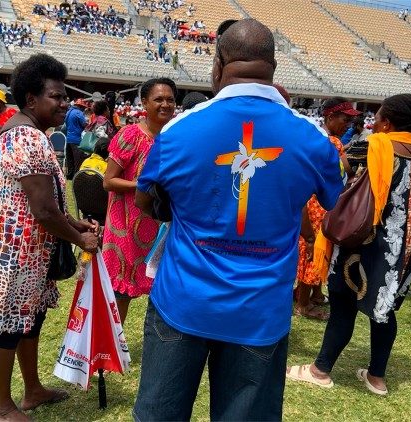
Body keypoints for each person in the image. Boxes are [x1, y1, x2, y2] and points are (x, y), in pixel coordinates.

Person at [132, 19, 343, 420]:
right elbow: (332, 201)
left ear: (217, 64)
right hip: (260, 309)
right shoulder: (312, 138)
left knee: (159, 415)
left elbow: (146, 200)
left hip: (183, 300)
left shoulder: (179, 129)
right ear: (273, 67)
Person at [0, 54, 99, 422]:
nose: (64, 103)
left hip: (28, 248)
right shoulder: (27, 138)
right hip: (14, 251)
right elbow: (41, 210)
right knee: (10, 326)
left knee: (31, 318)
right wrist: (80, 238)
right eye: (56, 97)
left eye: (64, 96)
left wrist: (73, 222)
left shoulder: (26, 133)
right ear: (30, 100)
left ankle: (32, 390)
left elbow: (45, 201)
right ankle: (2, 407)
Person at [288, 93, 411, 396]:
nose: (372, 122)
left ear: (386, 122)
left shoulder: (372, 146)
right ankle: (377, 378)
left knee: (343, 308)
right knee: (384, 311)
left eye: (376, 116)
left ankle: (320, 370)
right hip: (401, 250)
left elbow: (333, 171)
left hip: (362, 244)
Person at [103, 78, 176, 324]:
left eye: (170, 99)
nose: (165, 104)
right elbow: (108, 181)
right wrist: (145, 186)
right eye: (158, 99)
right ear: (144, 103)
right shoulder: (131, 135)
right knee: (121, 294)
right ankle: (109, 350)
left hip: (159, 227)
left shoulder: (175, 138)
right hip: (125, 228)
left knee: (161, 289)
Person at [294, 97, 358, 321]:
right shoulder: (332, 143)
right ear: (330, 117)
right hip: (318, 206)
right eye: (345, 119)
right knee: (314, 252)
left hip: (309, 202)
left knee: (308, 252)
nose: (348, 124)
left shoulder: (315, 137)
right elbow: (342, 173)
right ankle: (304, 304)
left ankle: (310, 295)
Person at [64, 98, 88, 179]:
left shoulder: (68, 112)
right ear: (80, 106)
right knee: (78, 159)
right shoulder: (79, 113)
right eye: (83, 107)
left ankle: (69, 176)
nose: (84, 109)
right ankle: (76, 176)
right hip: (77, 139)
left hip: (69, 138)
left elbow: (66, 124)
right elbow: (84, 124)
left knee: (70, 159)